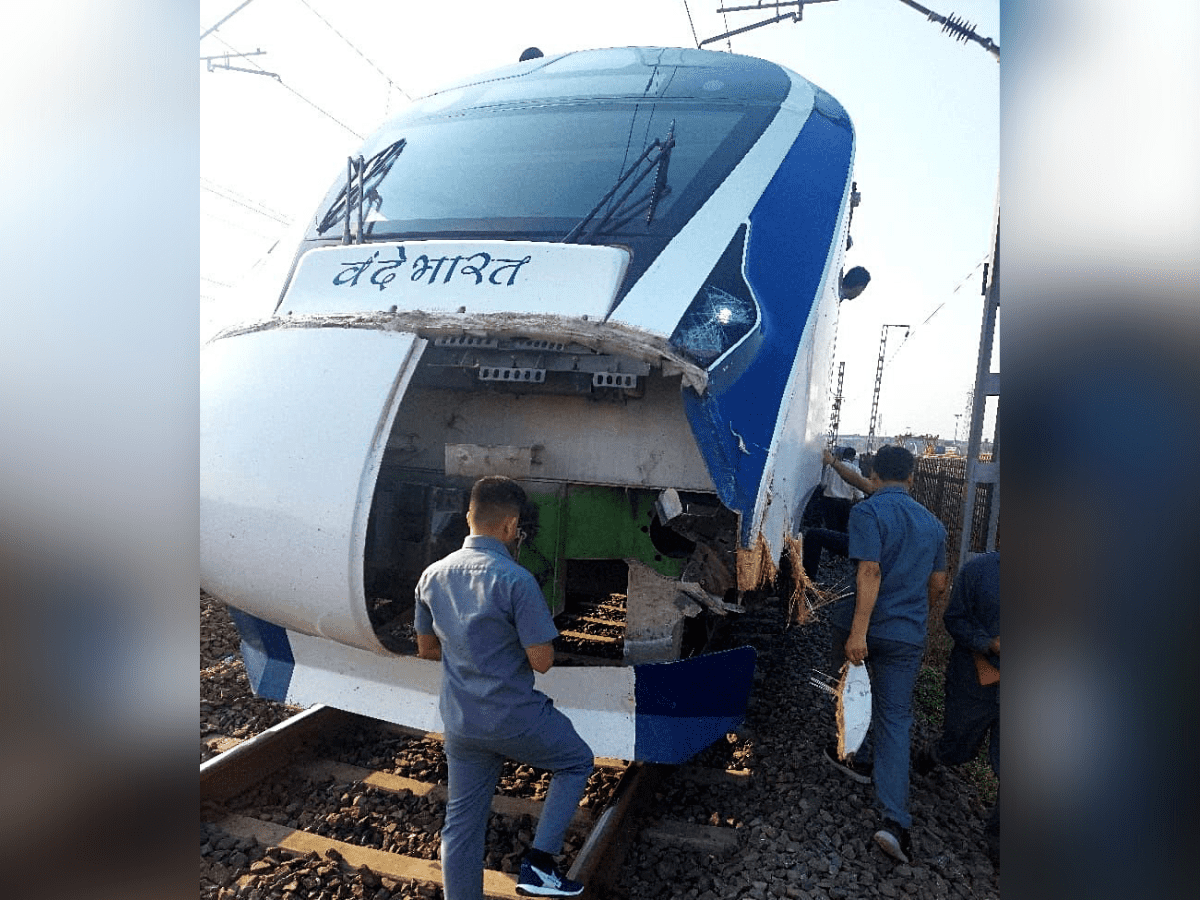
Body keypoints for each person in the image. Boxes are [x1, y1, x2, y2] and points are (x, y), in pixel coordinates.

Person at [415, 476, 594, 900]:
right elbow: (543, 663)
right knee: (576, 760)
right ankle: (540, 864)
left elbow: (426, 650)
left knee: (461, 824)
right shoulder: (516, 581)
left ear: (468, 518)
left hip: (461, 721)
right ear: (511, 527)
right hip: (514, 717)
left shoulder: (431, 575)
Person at [822, 444, 948, 864]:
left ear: (873, 474)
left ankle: (849, 751)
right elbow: (938, 583)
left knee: (848, 688)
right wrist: (916, 618)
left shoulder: (868, 512)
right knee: (896, 720)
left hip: (867, 628)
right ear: (912, 478)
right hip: (905, 635)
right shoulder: (933, 524)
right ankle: (895, 821)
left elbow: (869, 571)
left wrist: (859, 633)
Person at [914, 550, 1000, 864]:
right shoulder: (979, 570)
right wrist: (988, 644)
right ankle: (934, 754)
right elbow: (955, 618)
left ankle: (1000, 843)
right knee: (960, 747)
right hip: (974, 682)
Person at [801, 447, 874, 580]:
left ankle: (830, 555)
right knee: (842, 529)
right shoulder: (855, 470)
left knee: (830, 528)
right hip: (845, 503)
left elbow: (823, 483)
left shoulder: (830, 467)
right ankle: (838, 557)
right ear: (853, 457)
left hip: (829, 500)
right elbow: (858, 491)